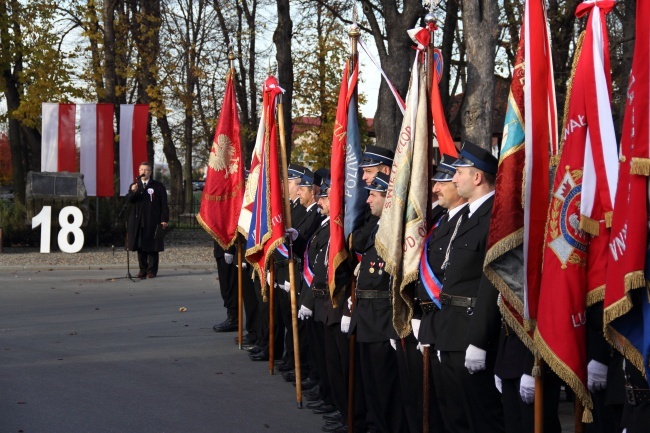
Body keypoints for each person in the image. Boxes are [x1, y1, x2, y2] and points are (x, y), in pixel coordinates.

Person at [432, 140, 505, 433]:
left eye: (459, 172)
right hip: (450, 329)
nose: (453, 178)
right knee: (456, 413)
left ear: (477, 177)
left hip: (472, 331)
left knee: (481, 416)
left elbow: (491, 283)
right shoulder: (464, 216)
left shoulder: (495, 218)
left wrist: (479, 340)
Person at [347, 172, 407, 433]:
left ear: (388, 198)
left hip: (383, 318)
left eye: (374, 194)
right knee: (371, 384)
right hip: (367, 316)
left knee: (386, 388)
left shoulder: (396, 231)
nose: (368, 199)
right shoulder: (377, 226)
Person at [414, 153, 467, 433]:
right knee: (442, 403)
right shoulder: (442, 220)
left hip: (453, 322)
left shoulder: (466, 221)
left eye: (443, 182)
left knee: (458, 407)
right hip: (433, 319)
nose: (435, 188)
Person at [126, 161, 169, 279]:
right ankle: (142, 269)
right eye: (141, 170)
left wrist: (164, 219)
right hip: (139, 220)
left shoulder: (158, 186)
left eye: (146, 170)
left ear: (150, 172)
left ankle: (152, 271)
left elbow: (164, 204)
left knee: (152, 247)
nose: (143, 172)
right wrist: (133, 191)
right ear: (138, 172)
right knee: (140, 246)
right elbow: (130, 201)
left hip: (153, 220)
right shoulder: (135, 186)